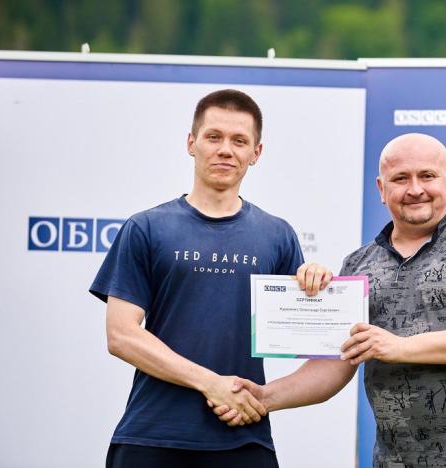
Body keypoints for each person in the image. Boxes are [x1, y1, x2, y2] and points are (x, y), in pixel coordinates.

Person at [218, 132, 446, 468]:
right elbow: (335, 363)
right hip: (395, 460)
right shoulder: (360, 264)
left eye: (427, 175)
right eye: (400, 179)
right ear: (382, 190)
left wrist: (399, 347)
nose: (415, 189)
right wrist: (263, 398)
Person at [89, 89, 331, 468]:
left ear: (256, 153)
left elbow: (315, 343)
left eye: (239, 141)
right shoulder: (146, 228)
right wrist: (210, 383)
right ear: (192, 143)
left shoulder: (278, 236)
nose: (225, 150)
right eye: (213, 137)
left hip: (243, 436)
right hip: (151, 437)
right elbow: (121, 336)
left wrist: (315, 283)